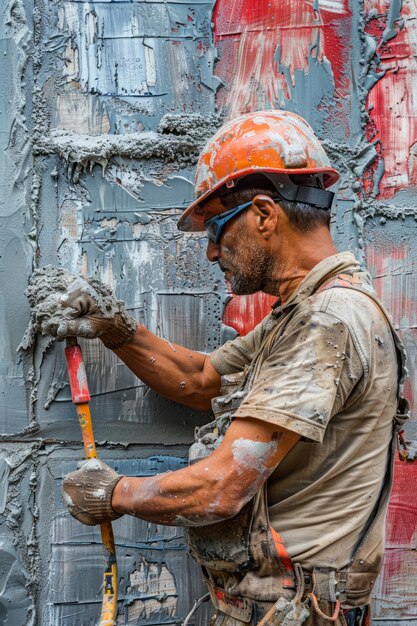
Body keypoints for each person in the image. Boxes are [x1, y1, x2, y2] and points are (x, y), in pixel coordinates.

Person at [28, 111, 408, 626]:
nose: (211, 252)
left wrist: (113, 494)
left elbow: (223, 486)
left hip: (297, 612)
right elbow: (204, 379)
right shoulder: (303, 314)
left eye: (216, 231)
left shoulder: (328, 322)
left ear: (264, 215)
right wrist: (113, 326)